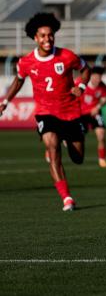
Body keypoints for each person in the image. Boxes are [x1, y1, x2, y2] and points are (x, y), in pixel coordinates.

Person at [0, 13, 90, 211]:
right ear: (35, 38)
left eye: (50, 35)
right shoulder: (26, 62)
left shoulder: (67, 56)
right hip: (45, 112)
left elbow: (85, 69)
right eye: (42, 36)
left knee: (78, 158)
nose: (47, 39)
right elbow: (19, 81)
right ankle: (66, 198)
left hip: (70, 111)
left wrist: (81, 86)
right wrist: (5, 101)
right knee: (52, 147)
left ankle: (66, 140)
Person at [78, 66, 106, 168]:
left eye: (99, 77)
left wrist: (98, 107)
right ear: (91, 76)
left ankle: (102, 159)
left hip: (95, 113)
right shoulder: (80, 82)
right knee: (78, 138)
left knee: (101, 135)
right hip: (80, 114)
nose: (97, 79)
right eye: (95, 77)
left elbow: (104, 99)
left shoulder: (103, 87)